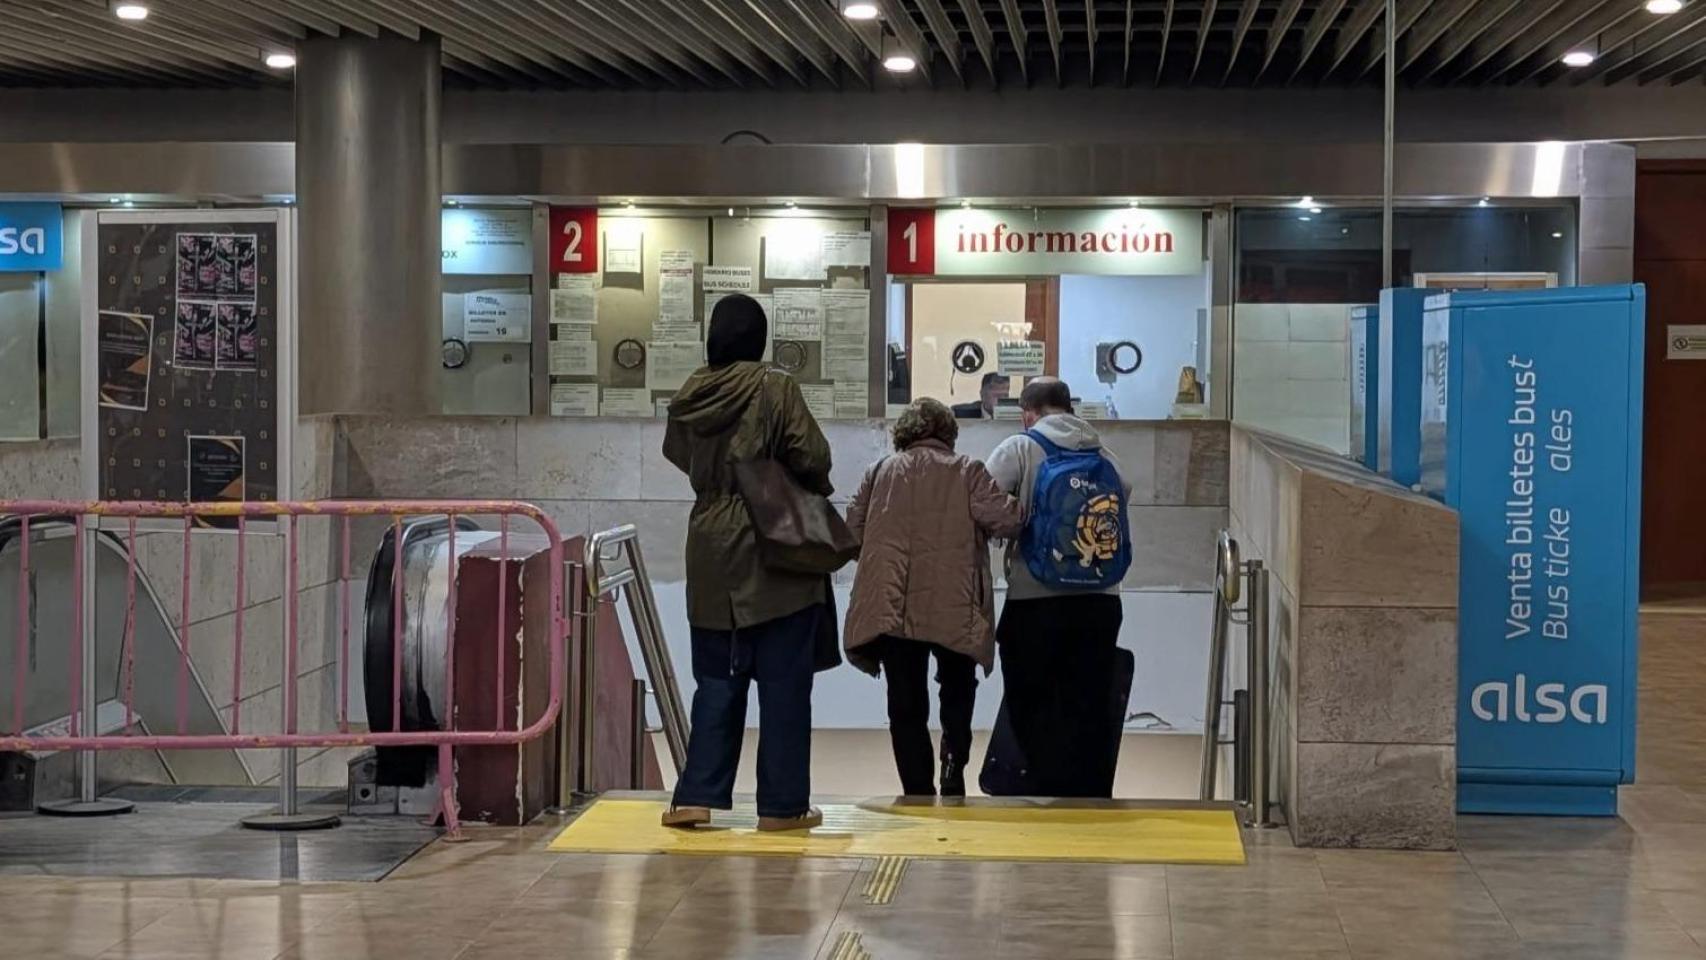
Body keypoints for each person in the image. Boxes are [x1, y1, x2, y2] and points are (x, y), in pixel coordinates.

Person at [660, 293, 835, 832]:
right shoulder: (773, 385)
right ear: (758, 338)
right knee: (783, 684)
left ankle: (694, 797)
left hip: (710, 542)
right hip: (772, 542)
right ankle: (782, 807)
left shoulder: (691, 392)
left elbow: (677, 454)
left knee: (716, 679)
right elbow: (813, 455)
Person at [844, 399, 1023, 797]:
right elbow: (1006, 520)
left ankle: (916, 788)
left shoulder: (878, 473)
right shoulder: (968, 471)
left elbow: (851, 535)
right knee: (958, 687)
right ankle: (953, 764)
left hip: (895, 604)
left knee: (905, 702)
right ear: (948, 433)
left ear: (904, 433)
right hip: (954, 603)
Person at [985, 377, 1133, 798]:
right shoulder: (1102, 452)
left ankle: (1042, 785)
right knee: (1087, 697)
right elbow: (1124, 494)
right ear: (1070, 407)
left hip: (1036, 599)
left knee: (1029, 696)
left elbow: (982, 499)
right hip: (1100, 600)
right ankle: (1085, 792)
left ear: (1027, 412)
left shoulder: (1020, 447)